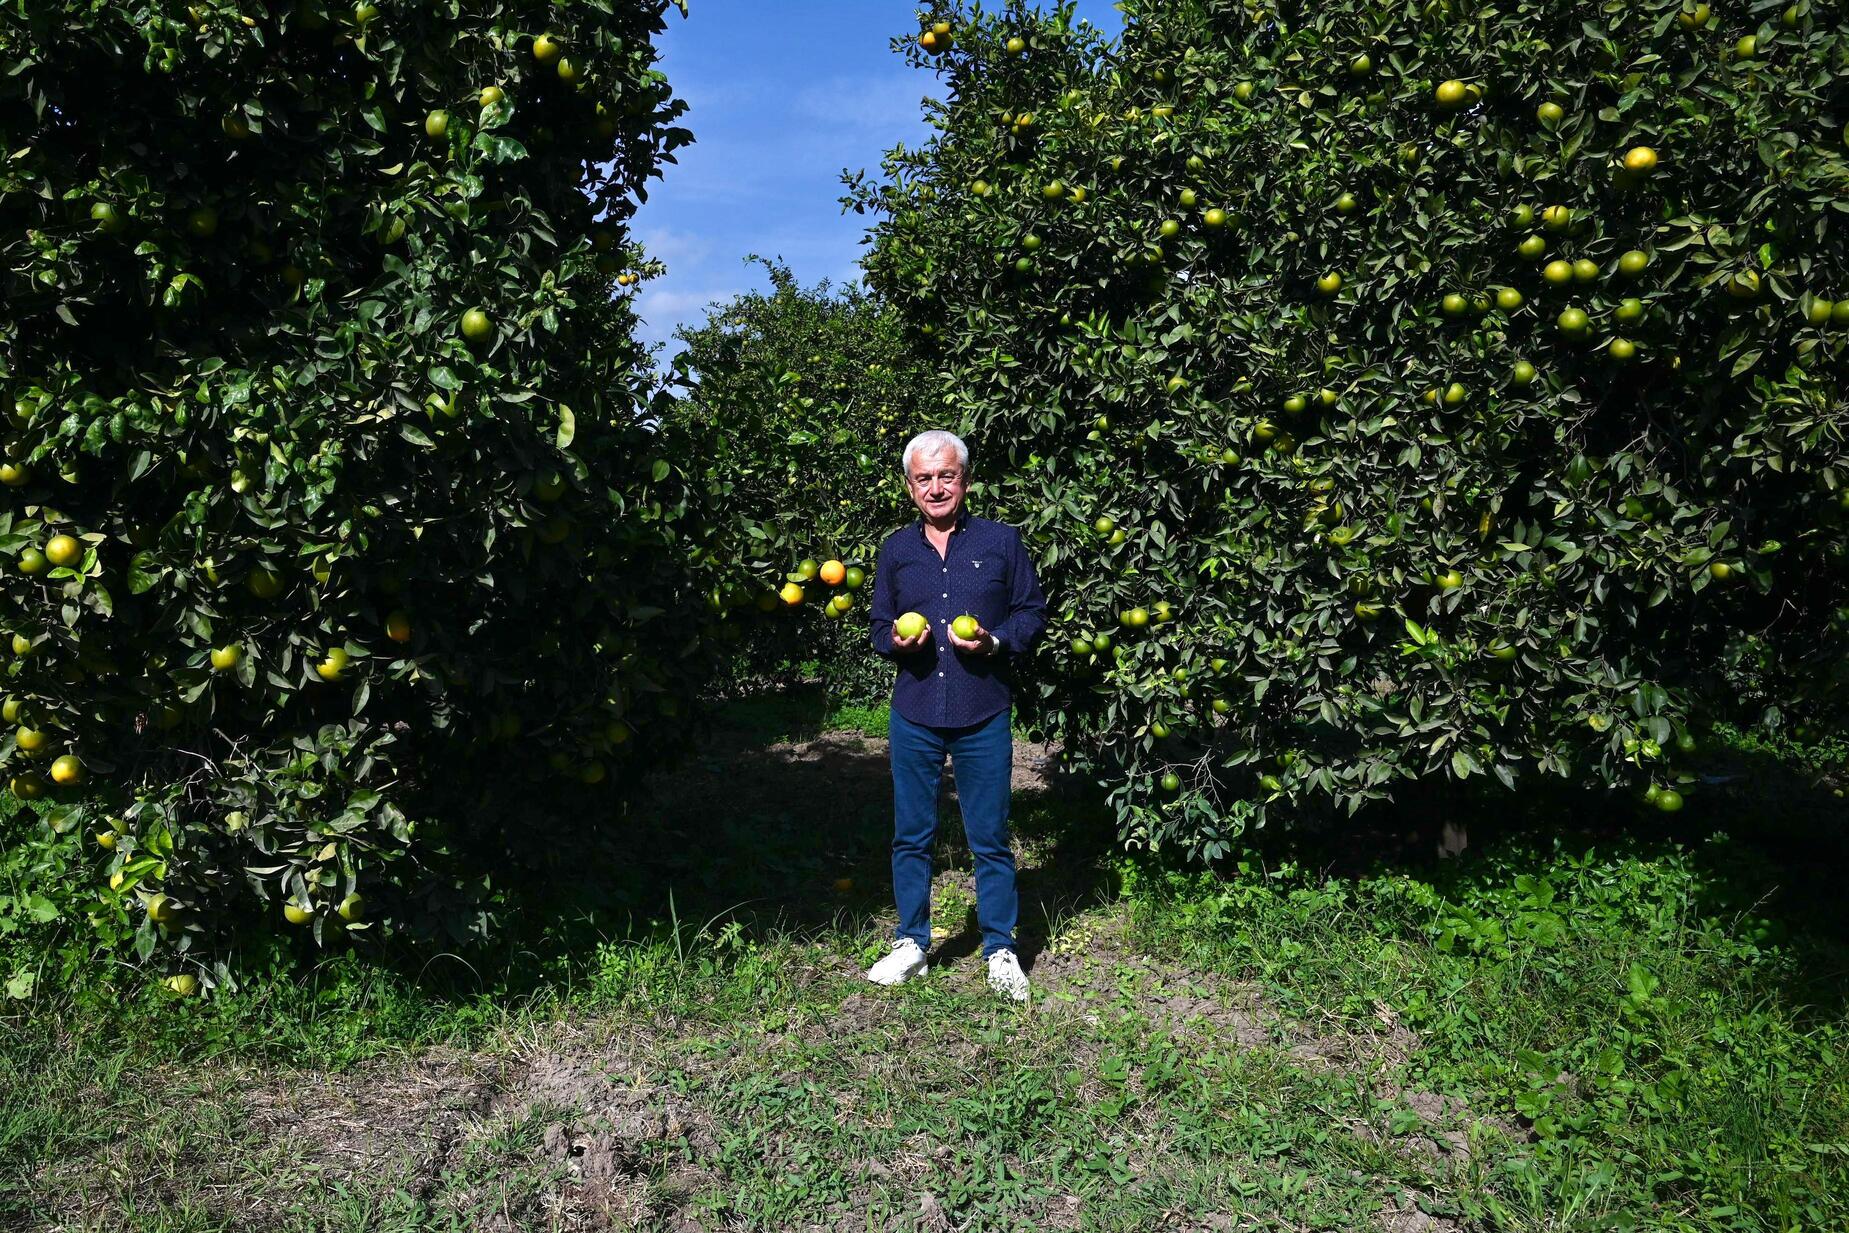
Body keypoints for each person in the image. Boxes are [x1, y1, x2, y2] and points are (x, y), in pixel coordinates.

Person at [863, 429, 1047, 1001]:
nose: (936, 487)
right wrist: (898, 643)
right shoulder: (896, 550)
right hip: (915, 711)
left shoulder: (1002, 543)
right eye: (925, 478)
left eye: (947, 476)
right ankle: (912, 944)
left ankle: (999, 948)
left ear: (964, 481)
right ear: (910, 486)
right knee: (911, 835)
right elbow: (877, 628)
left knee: (989, 836)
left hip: (981, 710)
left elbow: (1031, 614)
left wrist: (994, 645)